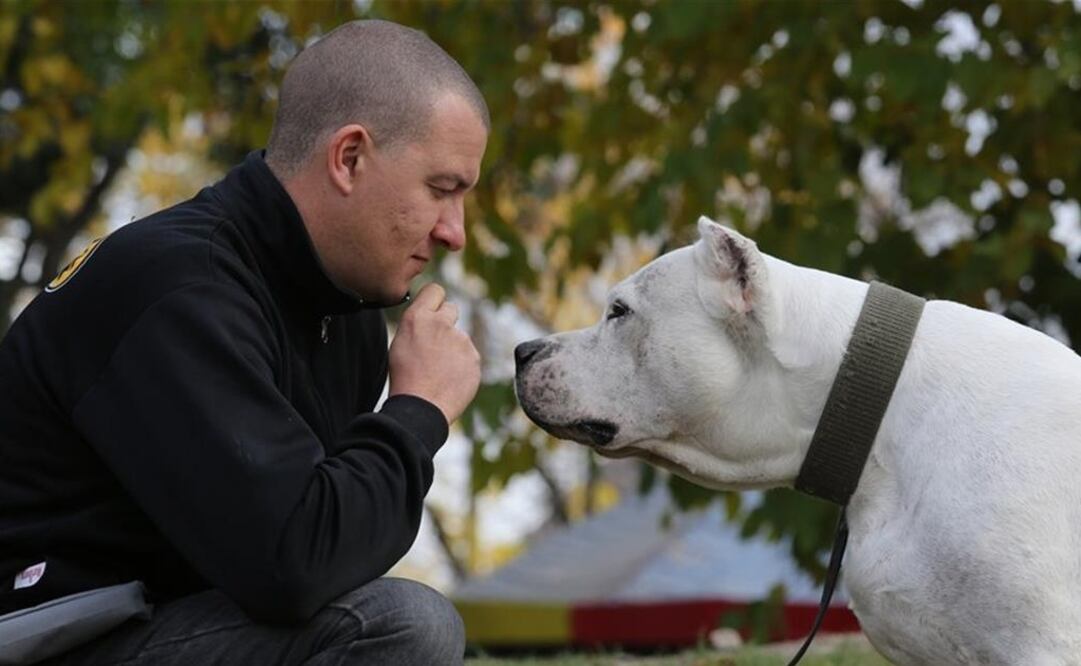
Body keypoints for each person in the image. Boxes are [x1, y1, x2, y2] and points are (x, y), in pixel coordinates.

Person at [0, 18, 488, 665]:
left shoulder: (342, 316)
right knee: (402, 626)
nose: (454, 231)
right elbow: (295, 567)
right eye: (440, 190)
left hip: (152, 621)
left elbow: (321, 563)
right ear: (349, 158)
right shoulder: (176, 287)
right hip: (39, 637)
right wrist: (417, 411)